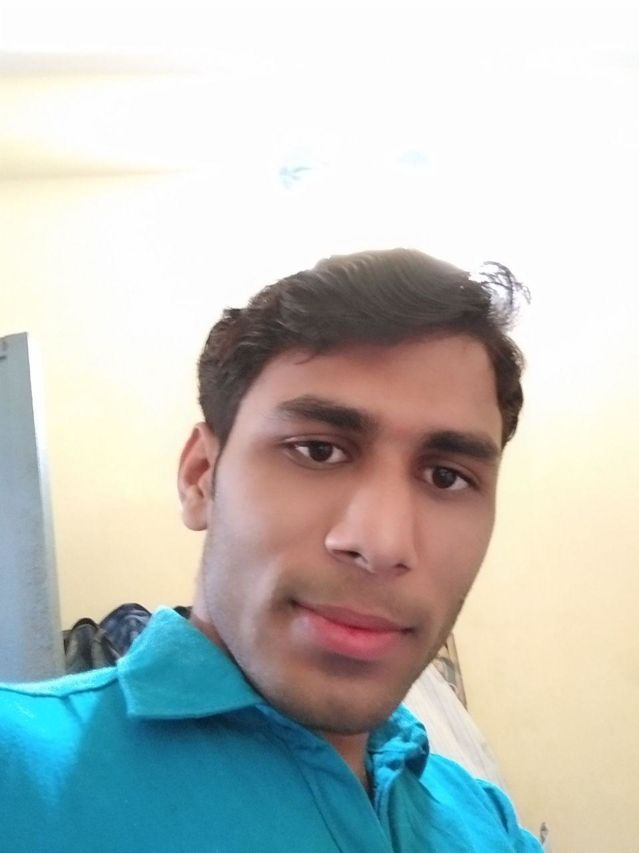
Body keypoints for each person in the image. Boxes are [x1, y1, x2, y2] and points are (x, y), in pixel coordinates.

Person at [0, 249, 542, 851]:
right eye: (318, 451)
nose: (382, 544)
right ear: (201, 477)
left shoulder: (483, 817)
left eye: (447, 477)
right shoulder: (17, 767)